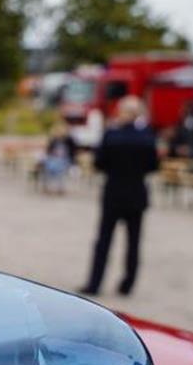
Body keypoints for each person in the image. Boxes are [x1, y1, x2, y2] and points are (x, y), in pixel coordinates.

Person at [80, 96, 158, 297]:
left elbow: (99, 163)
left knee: (104, 240)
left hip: (113, 192)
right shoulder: (147, 137)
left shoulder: (111, 135)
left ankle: (95, 283)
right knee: (133, 243)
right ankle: (127, 284)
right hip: (136, 194)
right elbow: (153, 166)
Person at [42, 123, 77, 195]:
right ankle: (48, 187)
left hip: (65, 159)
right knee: (48, 166)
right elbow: (48, 151)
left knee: (59, 167)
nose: (59, 132)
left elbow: (73, 151)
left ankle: (59, 188)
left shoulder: (68, 140)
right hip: (53, 159)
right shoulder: (53, 140)